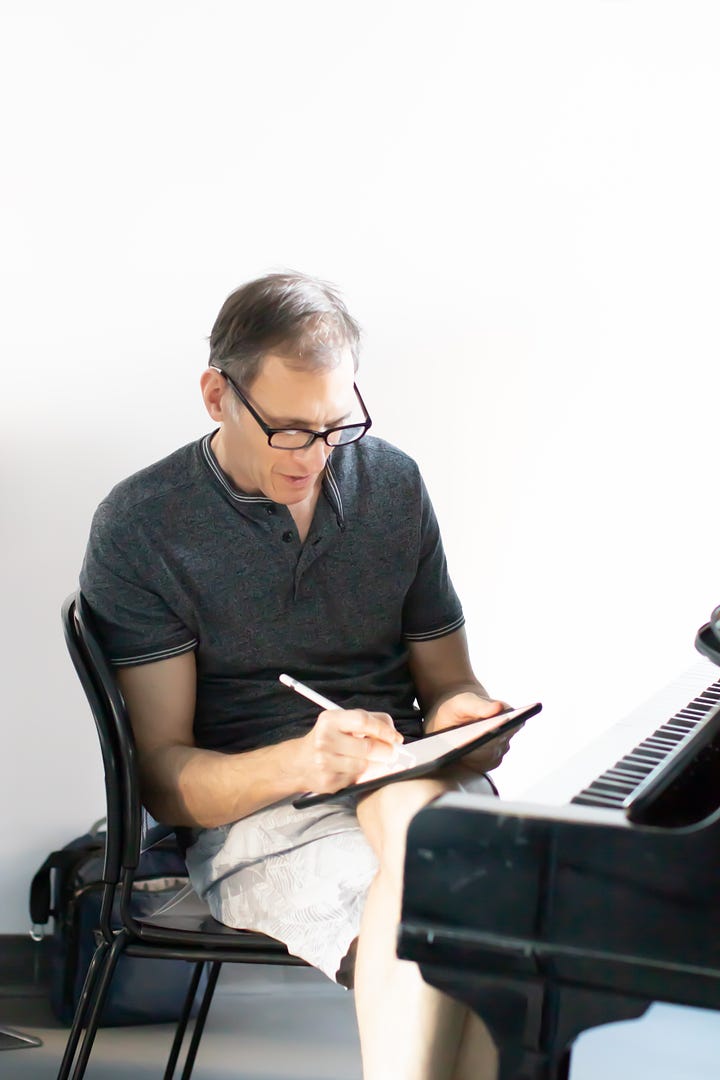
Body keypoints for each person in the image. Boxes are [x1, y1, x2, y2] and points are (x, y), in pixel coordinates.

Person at [80, 271, 515, 1080]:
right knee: (455, 912)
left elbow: (449, 680)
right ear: (217, 395)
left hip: (410, 776)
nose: (314, 457)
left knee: (440, 865)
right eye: (287, 430)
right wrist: (306, 762)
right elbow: (165, 781)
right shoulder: (145, 526)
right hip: (261, 820)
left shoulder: (392, 483)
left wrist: (465, 718)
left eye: (334, 427)